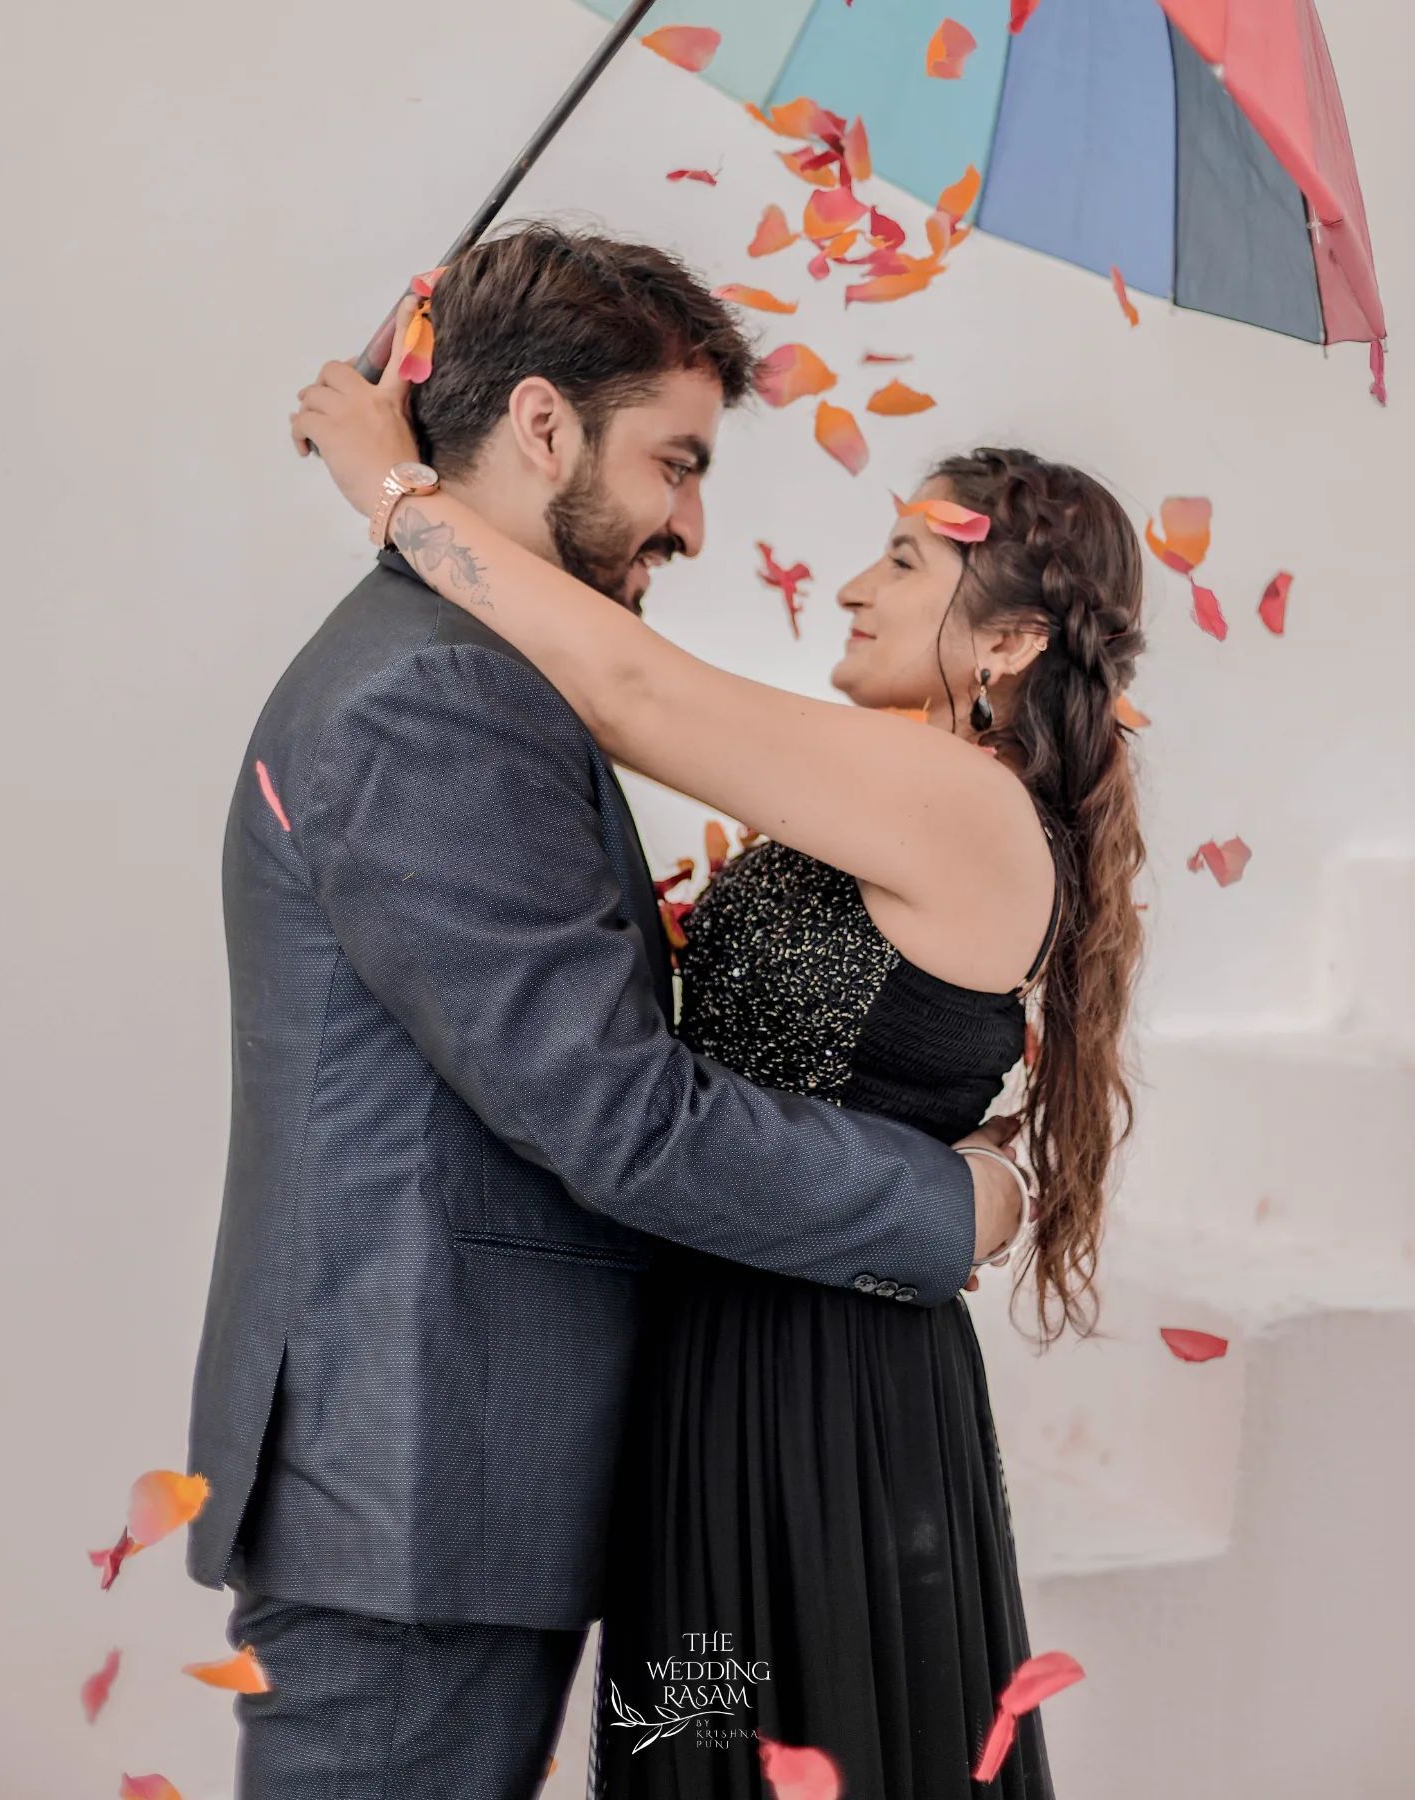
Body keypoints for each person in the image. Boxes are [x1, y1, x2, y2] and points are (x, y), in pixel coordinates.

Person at [292, 241, 1147, 1798]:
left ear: (1011, 643)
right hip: (721, 1358)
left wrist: (390, 486)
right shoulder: (886, 793)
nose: (854, 585)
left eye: (907, 561)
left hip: (820, 1386)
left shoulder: (959, 802)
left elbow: (636, 695)